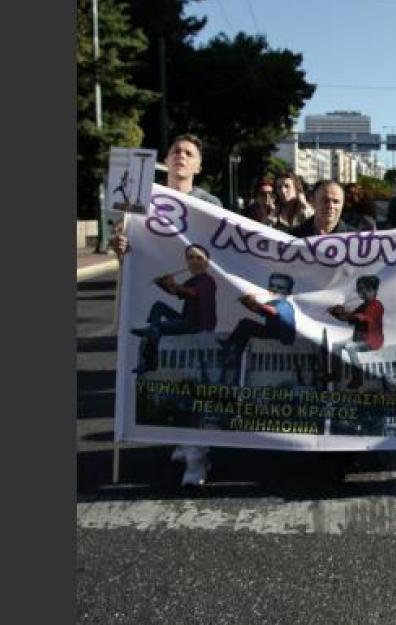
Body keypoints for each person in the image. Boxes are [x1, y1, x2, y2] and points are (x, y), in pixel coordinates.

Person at [110, 133, 221, 487]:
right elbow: (132, 249)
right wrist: (122, 244)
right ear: (166, 160)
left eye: (189, 153)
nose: (181, 157)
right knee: (172, 376)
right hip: (166, 300)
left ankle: (197, 459)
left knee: (192, 380)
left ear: (198, 166)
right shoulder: (143, 199)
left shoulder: (209, 204)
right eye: (175, 151)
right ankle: (185, 442)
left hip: (196, 311)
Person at [130, 244, 218, 374]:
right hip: (186, 320)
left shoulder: (207, 280)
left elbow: (193, 292)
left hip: (198, 324)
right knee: (159, 306)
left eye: (199, 258)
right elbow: (177, 292)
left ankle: (150, 361)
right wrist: (162, 284)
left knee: (157, 328)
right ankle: (153, 330)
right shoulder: (193, 279)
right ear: (186, 261)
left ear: (207, 263)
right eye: (190, 258)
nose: (194, 261)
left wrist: (173, 284)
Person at [217, 272, 297, 363]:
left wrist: (254, 302)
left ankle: (231, 347)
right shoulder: (273, 302)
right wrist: (247, 303)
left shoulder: (284, 304)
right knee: (245, 327)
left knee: (246, 324)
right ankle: (235, 352)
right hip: (271, 332)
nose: (274, 289)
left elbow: (273, 311)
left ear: (289, 292)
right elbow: (260, 311)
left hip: (280, 336)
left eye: (280, 288)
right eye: (272, 286)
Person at [328, 275, 384, 351]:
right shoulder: (362, 306)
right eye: (360, 290)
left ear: (374, 291)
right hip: (361, 341)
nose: (362, 292)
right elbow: (349, 318)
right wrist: (335, 313)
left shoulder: (376, 305)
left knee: (339, 349)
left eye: (367, 289)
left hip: (370, 343)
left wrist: (344, 312)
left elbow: (360, 317)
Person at [290, 180, 356, 237]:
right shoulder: (293, 237)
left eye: (336, 201)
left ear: (343, 204)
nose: (331, 206)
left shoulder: (354, 238)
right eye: (325, 200)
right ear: (312, 201)